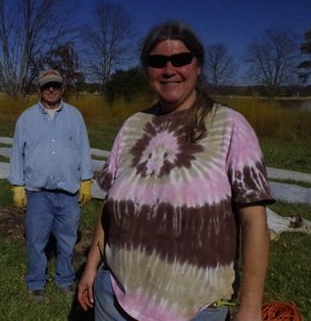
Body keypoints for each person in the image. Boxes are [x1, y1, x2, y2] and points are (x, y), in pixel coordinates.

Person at [77, 21, 274, 321]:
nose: (169, 70)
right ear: (147, 70)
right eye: (157, 62)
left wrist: (250, 307)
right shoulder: (132, 126)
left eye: (180, 59)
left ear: (198, 66)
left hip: (194, 309)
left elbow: (254, 222)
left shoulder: (230, 126)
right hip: (115, 298)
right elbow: (110, 209)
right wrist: (92, 267)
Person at [8, 69, 94, 303]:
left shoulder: (75, 116)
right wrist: (17, 185)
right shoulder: (26, 118)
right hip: (38, 194)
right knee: (37, 241)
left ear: (62, 88)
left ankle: (65, 280)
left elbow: (84, 148)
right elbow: (17, 152)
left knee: (67, 241)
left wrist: (86, 180)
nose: (51, 89)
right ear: (39, 89)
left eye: (55, 85)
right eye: (47, 86)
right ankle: (36, 283)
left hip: (68, 193)